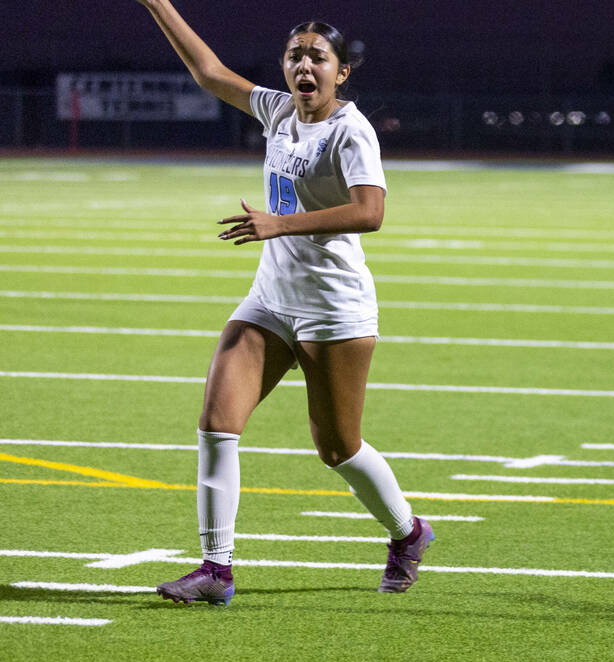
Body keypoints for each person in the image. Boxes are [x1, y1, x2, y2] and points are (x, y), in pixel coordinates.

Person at [135, 0, 434, 605]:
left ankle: (409, 532)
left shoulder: (352, 131)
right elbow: (210, 73)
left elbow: (371, 212)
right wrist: (158, 5)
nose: (305, 65)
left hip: (333, 307)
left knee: (338, 447)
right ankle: (216, 569)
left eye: (317, 58)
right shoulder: (277, 110)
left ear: (340, 72)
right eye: (295, 55)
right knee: (218, 424)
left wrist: (281, 225)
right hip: (270, 301)